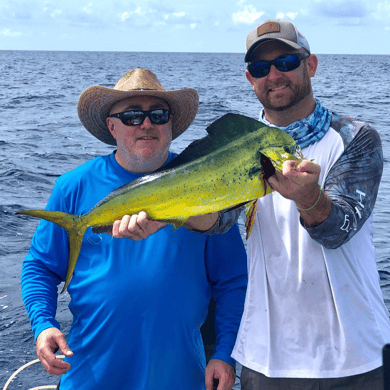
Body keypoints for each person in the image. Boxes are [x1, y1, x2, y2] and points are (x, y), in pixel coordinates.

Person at [21, 68, 248, 390]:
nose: (146, 123)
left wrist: (225, 353)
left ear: (171, 125)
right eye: (131, 116)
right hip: (91, 372)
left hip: (180, 373)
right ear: (111, 126)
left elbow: (233, 279)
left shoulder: (207, 190)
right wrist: (43, 324)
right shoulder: (72, 186)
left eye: (158, 114)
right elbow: (40, 266)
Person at [226, 20, 390, 389]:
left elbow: (339, 229)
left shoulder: (354, 137)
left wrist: (309, 198)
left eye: (286, 61)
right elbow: (216, 221)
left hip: (356, 359)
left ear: (310, 65)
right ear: (250, 79)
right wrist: (162, 217)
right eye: (260, 68)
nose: (273, 75)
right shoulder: (238, 151)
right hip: (266, 357)